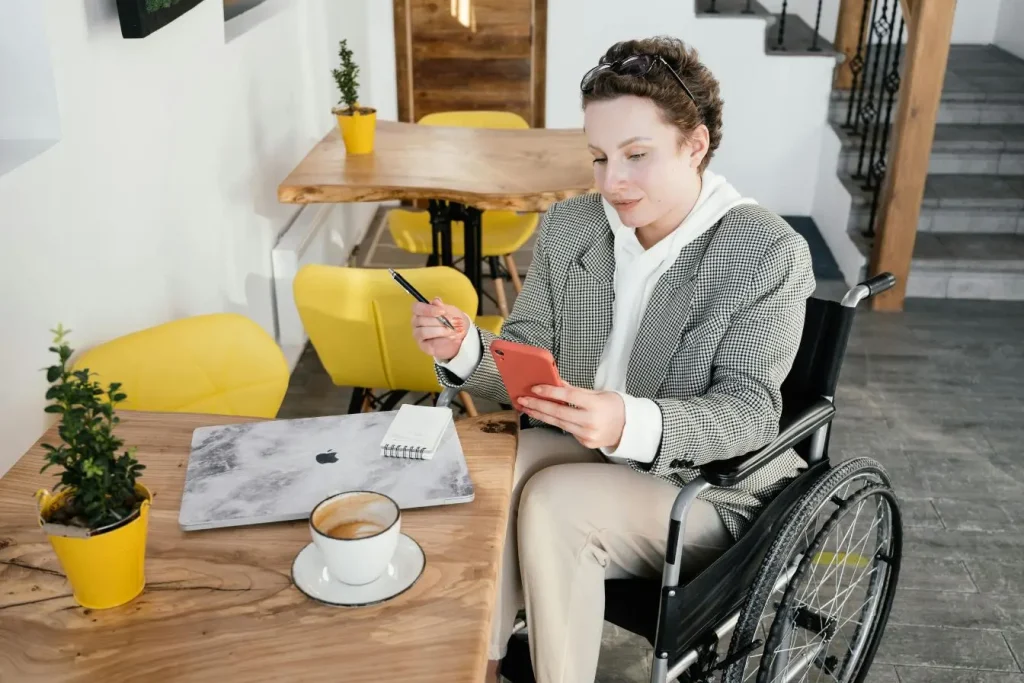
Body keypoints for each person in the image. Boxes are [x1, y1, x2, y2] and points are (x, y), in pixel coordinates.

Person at [410, 35, 815, 683]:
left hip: (710, 487)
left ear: (697, 145)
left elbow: (748, 415)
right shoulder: (575, 226)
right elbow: (524, 360)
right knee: (488, 473)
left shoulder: (764, 252)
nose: (611, 181)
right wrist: (464, 348)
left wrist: (628, 421)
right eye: (599, 157)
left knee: (554, 501)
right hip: (592, 451)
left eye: (636, 155)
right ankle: (478, 665)